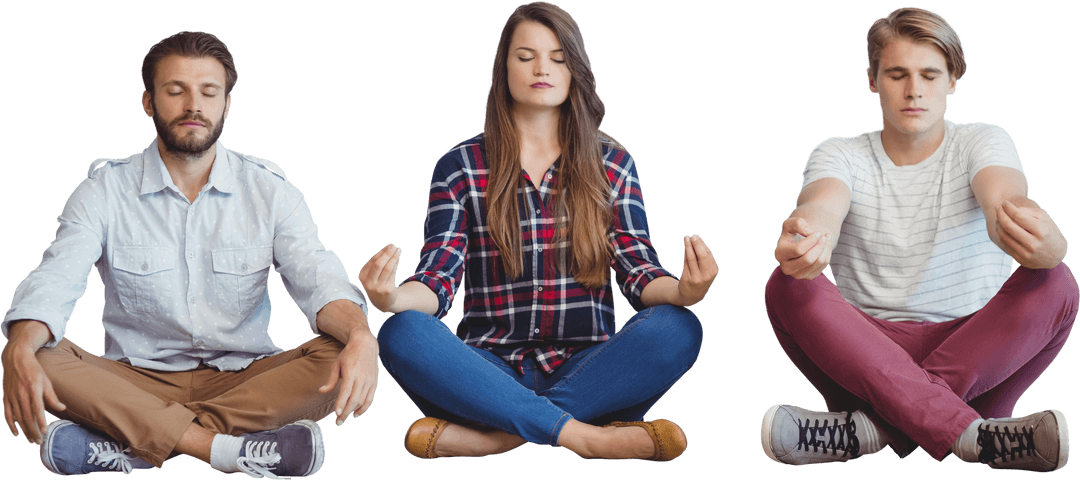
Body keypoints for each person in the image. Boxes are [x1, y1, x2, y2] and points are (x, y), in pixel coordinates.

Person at [1, 31, 379, 478]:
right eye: (175, 90)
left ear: (227, 104)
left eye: (208, 92)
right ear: (148, 102)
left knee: (344, 350)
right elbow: (57, 276)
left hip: (247, 377)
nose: (192, 105)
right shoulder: (103, 190)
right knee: (34, 353)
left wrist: (361, 336)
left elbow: (317, 277)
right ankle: (227, 449)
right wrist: (19, 349)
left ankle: (134, 444)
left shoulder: (271, 190)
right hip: (132, 378)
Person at [359, 1, 716, 462]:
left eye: (557, 58)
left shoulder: (614, 165)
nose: (541, 68)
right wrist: (391, 298)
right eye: (525, 57)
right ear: (503, 69)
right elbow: (437, 277)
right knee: (402, 332)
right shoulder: (459, 167)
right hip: (486, 374)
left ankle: (498, 436)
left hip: (591, 372)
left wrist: (685, 290)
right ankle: (587, 437)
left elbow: (638, 270)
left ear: (575, 71)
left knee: (677, 328)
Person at [761, 7, 1077, 472]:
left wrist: (1038, 238)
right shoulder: (839, 152)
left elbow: (1003, 197)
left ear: (952, 80)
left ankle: (871, 428)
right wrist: (811, 233)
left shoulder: (982, 140)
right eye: (896, 74)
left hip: (977, 352)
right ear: (872, 80)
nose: (914, 90)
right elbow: (823, 204)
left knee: (1056, 283)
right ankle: (973, 436)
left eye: (930, 75)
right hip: (864, 354)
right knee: (787, 284)